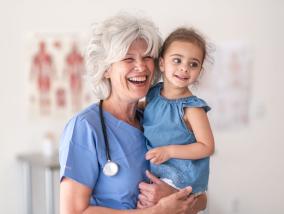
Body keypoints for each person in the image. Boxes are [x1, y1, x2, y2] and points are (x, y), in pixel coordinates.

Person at [59, 13, 207, 214]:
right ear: (106, 69)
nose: (141, 66)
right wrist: (156, 211)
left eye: (147, 57)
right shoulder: (85, 128)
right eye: (128, 58)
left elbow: (202, 199)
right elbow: (73, 212)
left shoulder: (157, 118)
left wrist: (174, 195)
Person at [141, 27, 215, 201]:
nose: (184, 69)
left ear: (200, 72)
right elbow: (149, 111)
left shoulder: (192, 108)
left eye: (193, 64)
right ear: (161, 63)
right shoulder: (153, 94)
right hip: (158, 171)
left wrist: (170, 151)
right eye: (177, 60)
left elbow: (207, 146)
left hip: (181, 178)